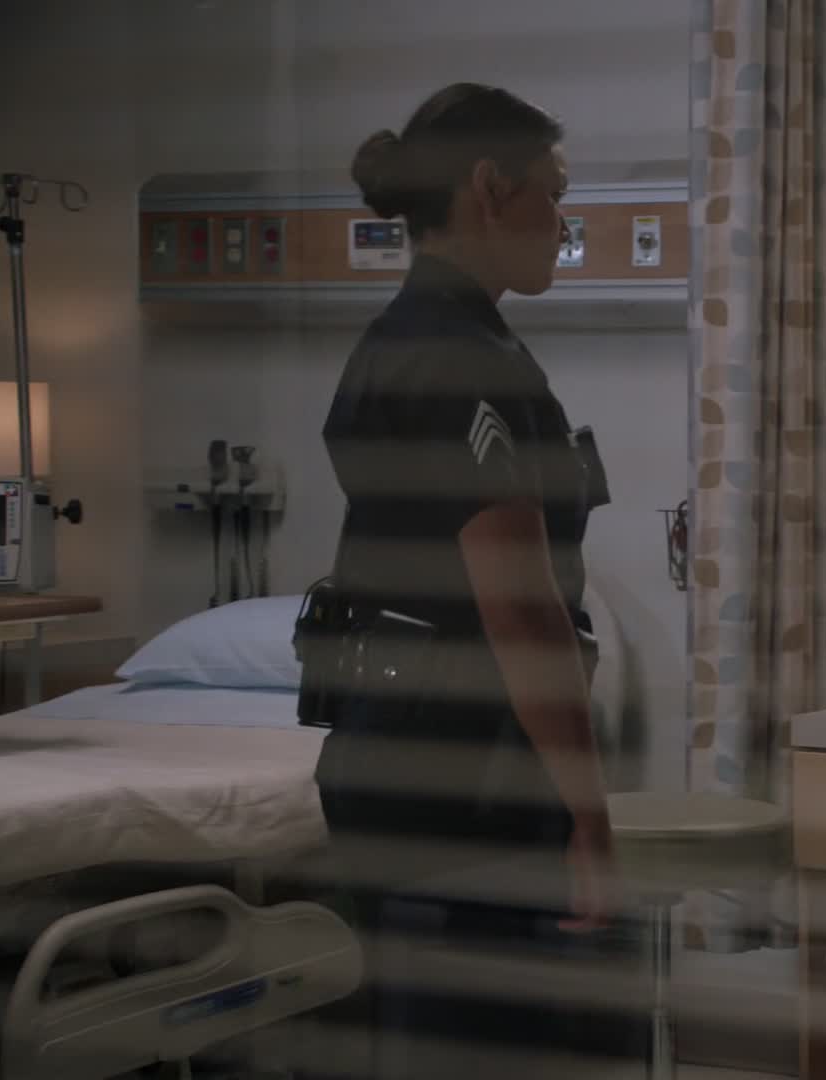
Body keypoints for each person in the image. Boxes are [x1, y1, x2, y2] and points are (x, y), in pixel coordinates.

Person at [298, 82, 631, 1076]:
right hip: (459, 787)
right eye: (553, 194)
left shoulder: (406, 344)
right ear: (491, 188)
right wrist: (591, 815)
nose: (563, 222)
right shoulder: (459, 360)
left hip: (408, 766)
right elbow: (521, 613)